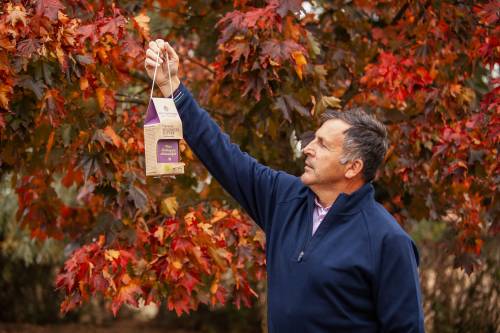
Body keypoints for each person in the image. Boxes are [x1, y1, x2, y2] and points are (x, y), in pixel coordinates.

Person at [144, 39, 425, 333]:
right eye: (313, 139)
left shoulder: (387, 241)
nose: (308, 149)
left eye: (323, 145)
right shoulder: (284, 198)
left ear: (353, 166)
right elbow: (224, 156)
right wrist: (172, 86)